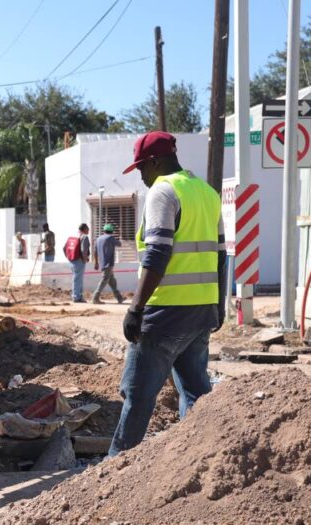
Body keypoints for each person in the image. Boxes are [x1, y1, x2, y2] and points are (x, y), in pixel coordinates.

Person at [108, 131, 226, 457]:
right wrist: (218, 305)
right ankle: (197, 460)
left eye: (142, 169)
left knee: (137, 394)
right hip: (201, 310)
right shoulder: (207, 192)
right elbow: (220, 255)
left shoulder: (163, 191)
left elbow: (158, 253)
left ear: (156, 162)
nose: (142, 178)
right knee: (195, 391)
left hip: (165, 314)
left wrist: (135, 308)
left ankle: (112, 472)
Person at [91, 223, 124, 304]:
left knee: (112, 281)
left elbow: (95, 251)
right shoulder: (110, 238)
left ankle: (119, 298)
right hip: (109, 263)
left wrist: (96, 262)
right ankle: (95, 297)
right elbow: (120, 244)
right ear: (111, 231)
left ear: (104, 230)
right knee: (104, 280)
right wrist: (117, 237)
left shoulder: (98, 239)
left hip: (102, 263)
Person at [67, 223, 90, 303]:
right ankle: (76, 297)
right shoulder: (84, 237)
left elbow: (64, 248)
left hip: (73, 260)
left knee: (76, 278)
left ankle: (78, 296)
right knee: (78, 279)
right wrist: (85, 259)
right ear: (84, 229)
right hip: (79, 260)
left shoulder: (75, 236)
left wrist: (69, 258)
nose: (89, 230)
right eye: (88, 229)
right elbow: (84, 250)